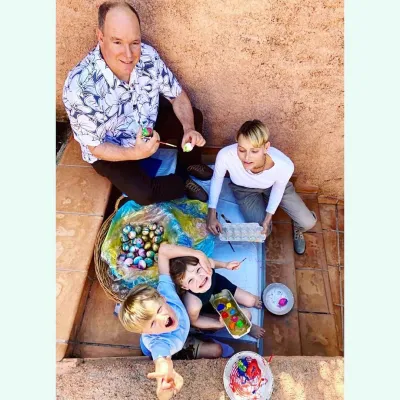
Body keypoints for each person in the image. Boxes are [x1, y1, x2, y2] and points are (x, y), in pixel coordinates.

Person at [63, 1, 212, 205]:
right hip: (112, 148)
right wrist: (134, 153)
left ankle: (189, 164)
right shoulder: (79, 87)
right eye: (117, 42)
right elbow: (96, 147)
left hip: (146, 125)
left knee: (194, 117)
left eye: (134, 42)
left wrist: (188, 128)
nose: (129, 55)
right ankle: (182, 183)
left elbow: (177, 95)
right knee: (144, 194)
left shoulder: (148, 56)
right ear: (100, 37)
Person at [118, 246, 223, 400]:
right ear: (146, 332)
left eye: (159, 309)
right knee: (216, 351)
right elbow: (162, 362)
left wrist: (198, 254)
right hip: (173, 347)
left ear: (163, 298)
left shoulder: (166, 291)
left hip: (182, 331)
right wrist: (165, 384)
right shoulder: (159, 343)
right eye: (153, 324)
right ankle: (185, 348)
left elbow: (163, 251)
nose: (162, 318)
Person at [206, 120, 317, 255]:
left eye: (254, 151)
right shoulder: (225, 155)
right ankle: (262, 208)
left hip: (273, 186)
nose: (247, 157)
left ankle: (298, 227)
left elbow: (278, 189)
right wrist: (211, 214)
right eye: (241, 150)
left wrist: (268, 216)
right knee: (261, 231)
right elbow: (217, 179)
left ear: (266, 147)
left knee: (308, 222)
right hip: (244, 190)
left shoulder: (284, 165)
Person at [161, 243, 265, 339]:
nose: (199, 278)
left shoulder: (206, 263)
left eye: (198, 270)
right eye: (190, 280)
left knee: (251, 300)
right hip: (209, 306)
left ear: (203, 262)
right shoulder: (193, 304)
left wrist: (225, 265)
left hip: (220, 286)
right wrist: (218, 323)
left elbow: (213, 263)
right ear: (184, 287)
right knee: (245, 316)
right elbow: (195, 321)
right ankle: (249, 328)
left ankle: (249, 304)